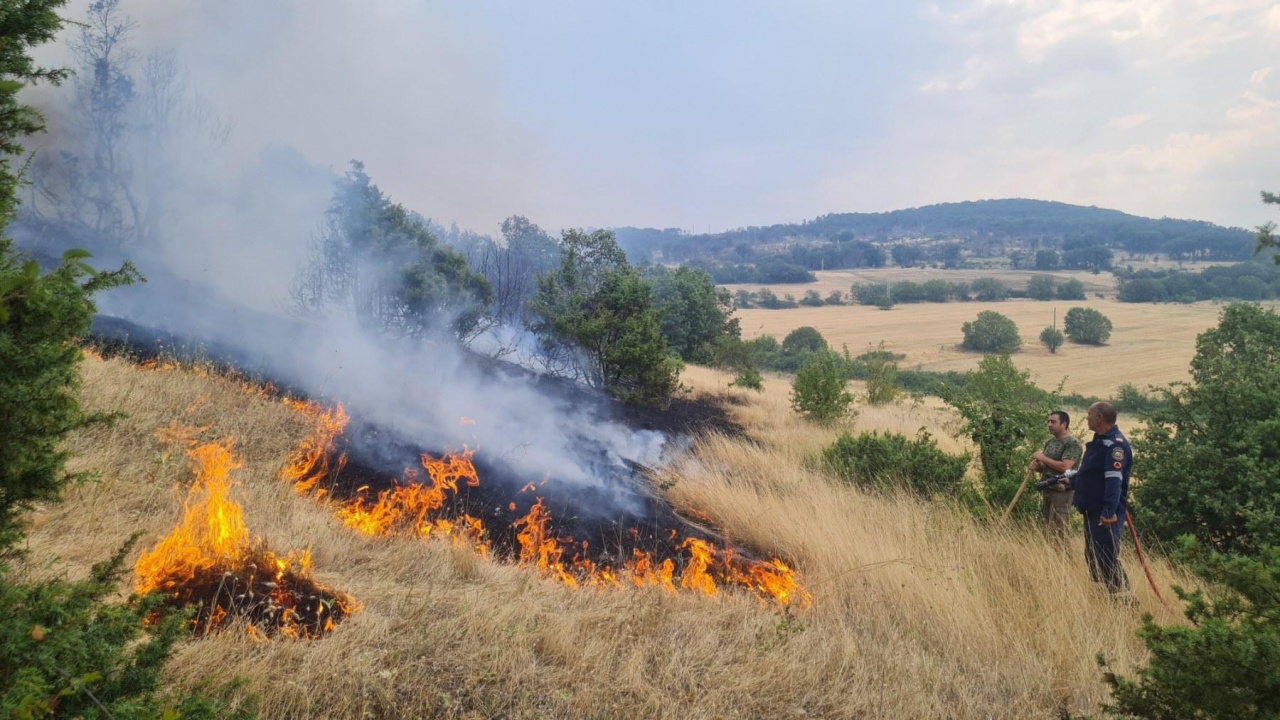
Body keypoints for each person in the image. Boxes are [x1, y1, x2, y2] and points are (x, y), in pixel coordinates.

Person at [1072, 402, 1132, 595]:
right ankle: (1102, 598)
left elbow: (1114, 481)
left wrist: (1109, 512)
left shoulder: (1115, 445)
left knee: (1106, 556)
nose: (1086, 417)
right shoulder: (1099, 441)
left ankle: (1123, 599)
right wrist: (1071, 482)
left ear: (1100, 418)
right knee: (1094, 557)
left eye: (1089, 414)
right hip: (1091, 509)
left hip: (1103, 514)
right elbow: (1091, 475)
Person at [1028, 410, 1083, 539]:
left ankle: (1063, 558)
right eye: (1048, 421)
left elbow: (1065, 467)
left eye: (1053, 422)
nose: (1049, 424)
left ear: (1064, 424)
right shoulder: (1050, 442)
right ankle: (1050, 558)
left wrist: (1043, 458)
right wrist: (1039, 466)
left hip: (1062, 492)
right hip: (1047, 489)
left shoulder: (1072, 443)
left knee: (1059, 531)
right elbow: (1048, 467)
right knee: (1048, 530)